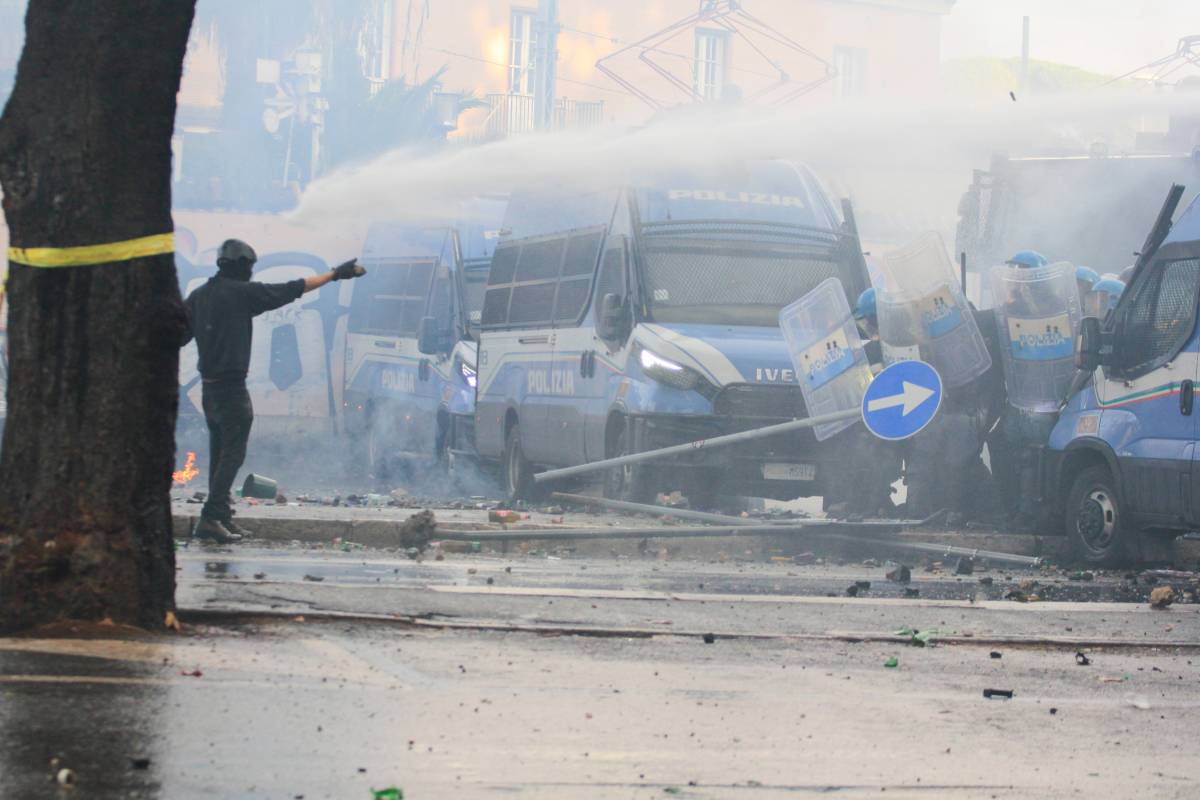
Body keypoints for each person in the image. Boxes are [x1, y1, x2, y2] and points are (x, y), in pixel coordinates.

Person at [182, 239, 366, 544]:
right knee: (233, 454)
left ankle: (222, 517)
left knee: (219, 454)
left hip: (209, 391)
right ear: (243, 267)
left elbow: (178, 335)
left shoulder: (199, 296)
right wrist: (334, 274)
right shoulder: (242, 294)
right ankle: (211, 517)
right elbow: (294, 287)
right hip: (231, 390)